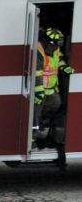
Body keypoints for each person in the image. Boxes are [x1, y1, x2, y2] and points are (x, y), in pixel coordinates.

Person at [34, 27, 74, 158]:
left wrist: (64, 67)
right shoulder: (39, 51)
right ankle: (33, 140)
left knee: (56, 104)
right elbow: (37, 74)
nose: (59, 47)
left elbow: (59, 59)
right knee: (35, 115)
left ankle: (42, 129)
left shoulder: (55, 49)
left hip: (51, 90)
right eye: (57, 44)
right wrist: (39, 92)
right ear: (49, 42)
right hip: (39, 91)